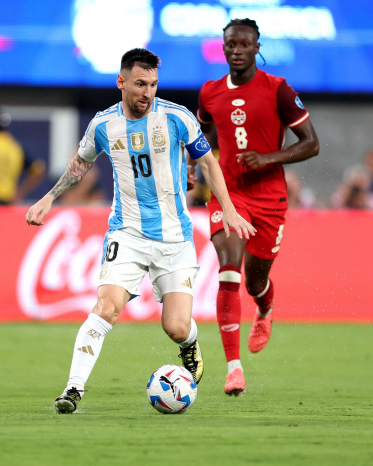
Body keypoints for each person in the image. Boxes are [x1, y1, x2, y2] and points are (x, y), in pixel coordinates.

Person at [26, 48, 255, 413]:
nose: (147, 92)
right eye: (139, 84)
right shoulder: (103, 125)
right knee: (105, 308)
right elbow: (80, 163)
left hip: (175, 239)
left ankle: (191, 345)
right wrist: (49, 197)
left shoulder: (177, 117)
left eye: (152, 84)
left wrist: (228, 207)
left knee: (177, 327)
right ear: (121, 82)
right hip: (127, 235)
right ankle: (72, 390)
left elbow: (208, 162)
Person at [195, 18, 320, 396]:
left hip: (269, 198)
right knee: (229, 269)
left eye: (243, 44)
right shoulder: (209, 93)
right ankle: (234, 369)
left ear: (256, 46)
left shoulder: (278, 90)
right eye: (230, 44)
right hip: (227, 193)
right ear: (224, 47)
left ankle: (264, 308)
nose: (236, 50)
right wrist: (189, 167)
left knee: (254, 280)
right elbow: (198, 136)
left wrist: (268, 159)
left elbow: (311, 143)